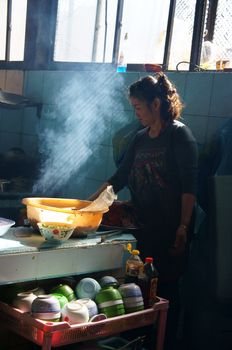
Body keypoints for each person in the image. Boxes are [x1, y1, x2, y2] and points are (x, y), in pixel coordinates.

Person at [89, 73, 198, 349]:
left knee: (167, 292)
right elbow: (118, 178)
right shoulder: (139, 139)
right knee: (141, 292)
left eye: (138, 107)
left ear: (156, 104)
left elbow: (189, 188)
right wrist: (87, 205)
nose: (135, 113)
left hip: (172, 231)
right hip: (143, 230)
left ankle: (166, 343)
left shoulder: (179, 135)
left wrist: (183, 227)